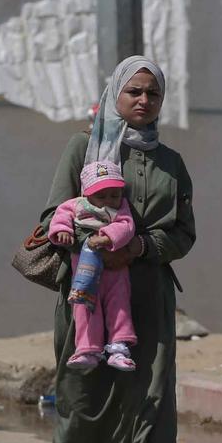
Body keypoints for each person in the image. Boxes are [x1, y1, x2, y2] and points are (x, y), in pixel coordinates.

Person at [40, 56, 195, 443]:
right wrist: (94, 243)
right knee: (84, 408)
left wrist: (141, 247)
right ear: (115, 94)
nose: (144, 101)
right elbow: (51, 218)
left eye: (153, 93)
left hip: (145, 304)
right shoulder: (82, 149)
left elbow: (183, 233)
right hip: (85, 301)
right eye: (134, 91)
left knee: (150, 414)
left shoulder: (171, 163)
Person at [49, 159, 138, 372]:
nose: (108, 200)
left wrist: (107, 237)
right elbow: (60, 217)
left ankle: (119, 347)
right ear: (87, 193)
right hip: (84, 270)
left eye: (114, 195)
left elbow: (127, 226)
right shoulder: (76, 205)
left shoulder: (121, 208)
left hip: (115, 270)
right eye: (101, 196)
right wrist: (63, 231)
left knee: (119, 304)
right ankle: (88, 349)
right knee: (84, 305)